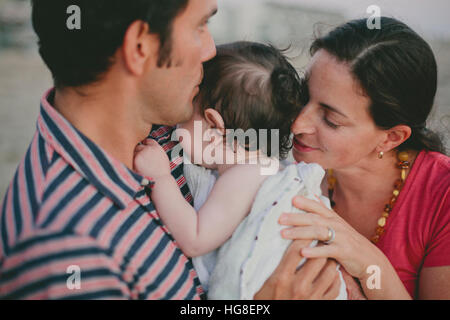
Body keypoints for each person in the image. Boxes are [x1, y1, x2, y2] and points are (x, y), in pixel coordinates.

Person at [0, 0, 344, 300]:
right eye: (200, 26)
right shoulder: (64, 249)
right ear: (139, 47)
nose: (210, 49)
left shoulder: (169, 126)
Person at [133, 41, 347, 299]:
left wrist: (160, 177)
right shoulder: (259, 168)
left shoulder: (246, 175)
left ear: (213, 126)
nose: (177, 122)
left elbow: (195, 239)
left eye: (188, 110)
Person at [278, 17, 450, 299]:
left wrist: (370, 262)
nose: (297, 124)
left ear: (391, 137)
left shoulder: (442, 197)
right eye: (303, 94)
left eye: (331, 120)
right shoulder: (293, 176)